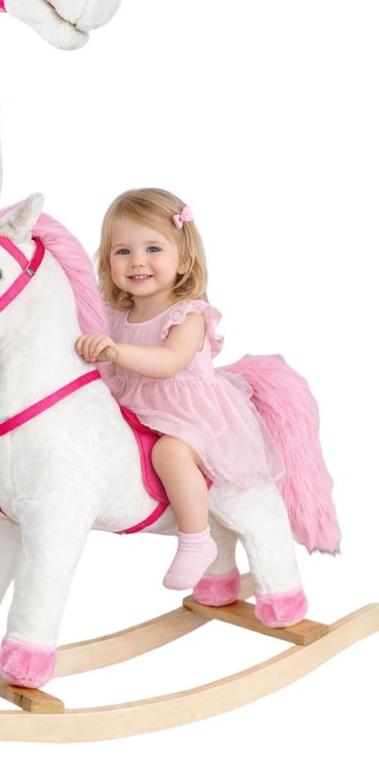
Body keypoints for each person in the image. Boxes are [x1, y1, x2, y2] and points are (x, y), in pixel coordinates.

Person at [75, 188, 284, 589]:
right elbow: (103, 364)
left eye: (153, 248)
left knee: (170, 452)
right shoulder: (114, 315)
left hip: (187, 414)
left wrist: (115, 351)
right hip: (134, 408)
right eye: (123, 251)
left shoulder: (188, 315)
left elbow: (168, 362)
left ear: (183, 260)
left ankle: (195, 540)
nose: (137, 260)